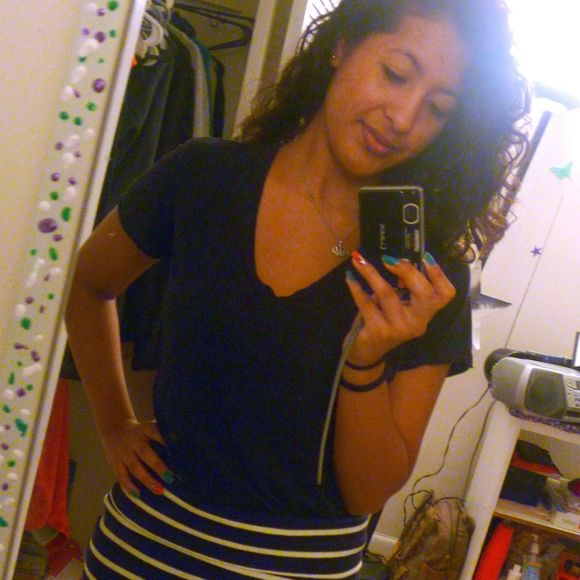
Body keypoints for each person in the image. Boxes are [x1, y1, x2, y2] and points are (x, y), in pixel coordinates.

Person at [65, 0, 529, 577]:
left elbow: (366, 493)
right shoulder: (202, 177)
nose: (404, 117)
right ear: (341, 46)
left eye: (437, 108)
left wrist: (366, 359)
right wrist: (114, 425)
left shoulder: (428, 276)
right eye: (395, 74)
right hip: (143, 544)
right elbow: (89, 285)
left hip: (299, 563)